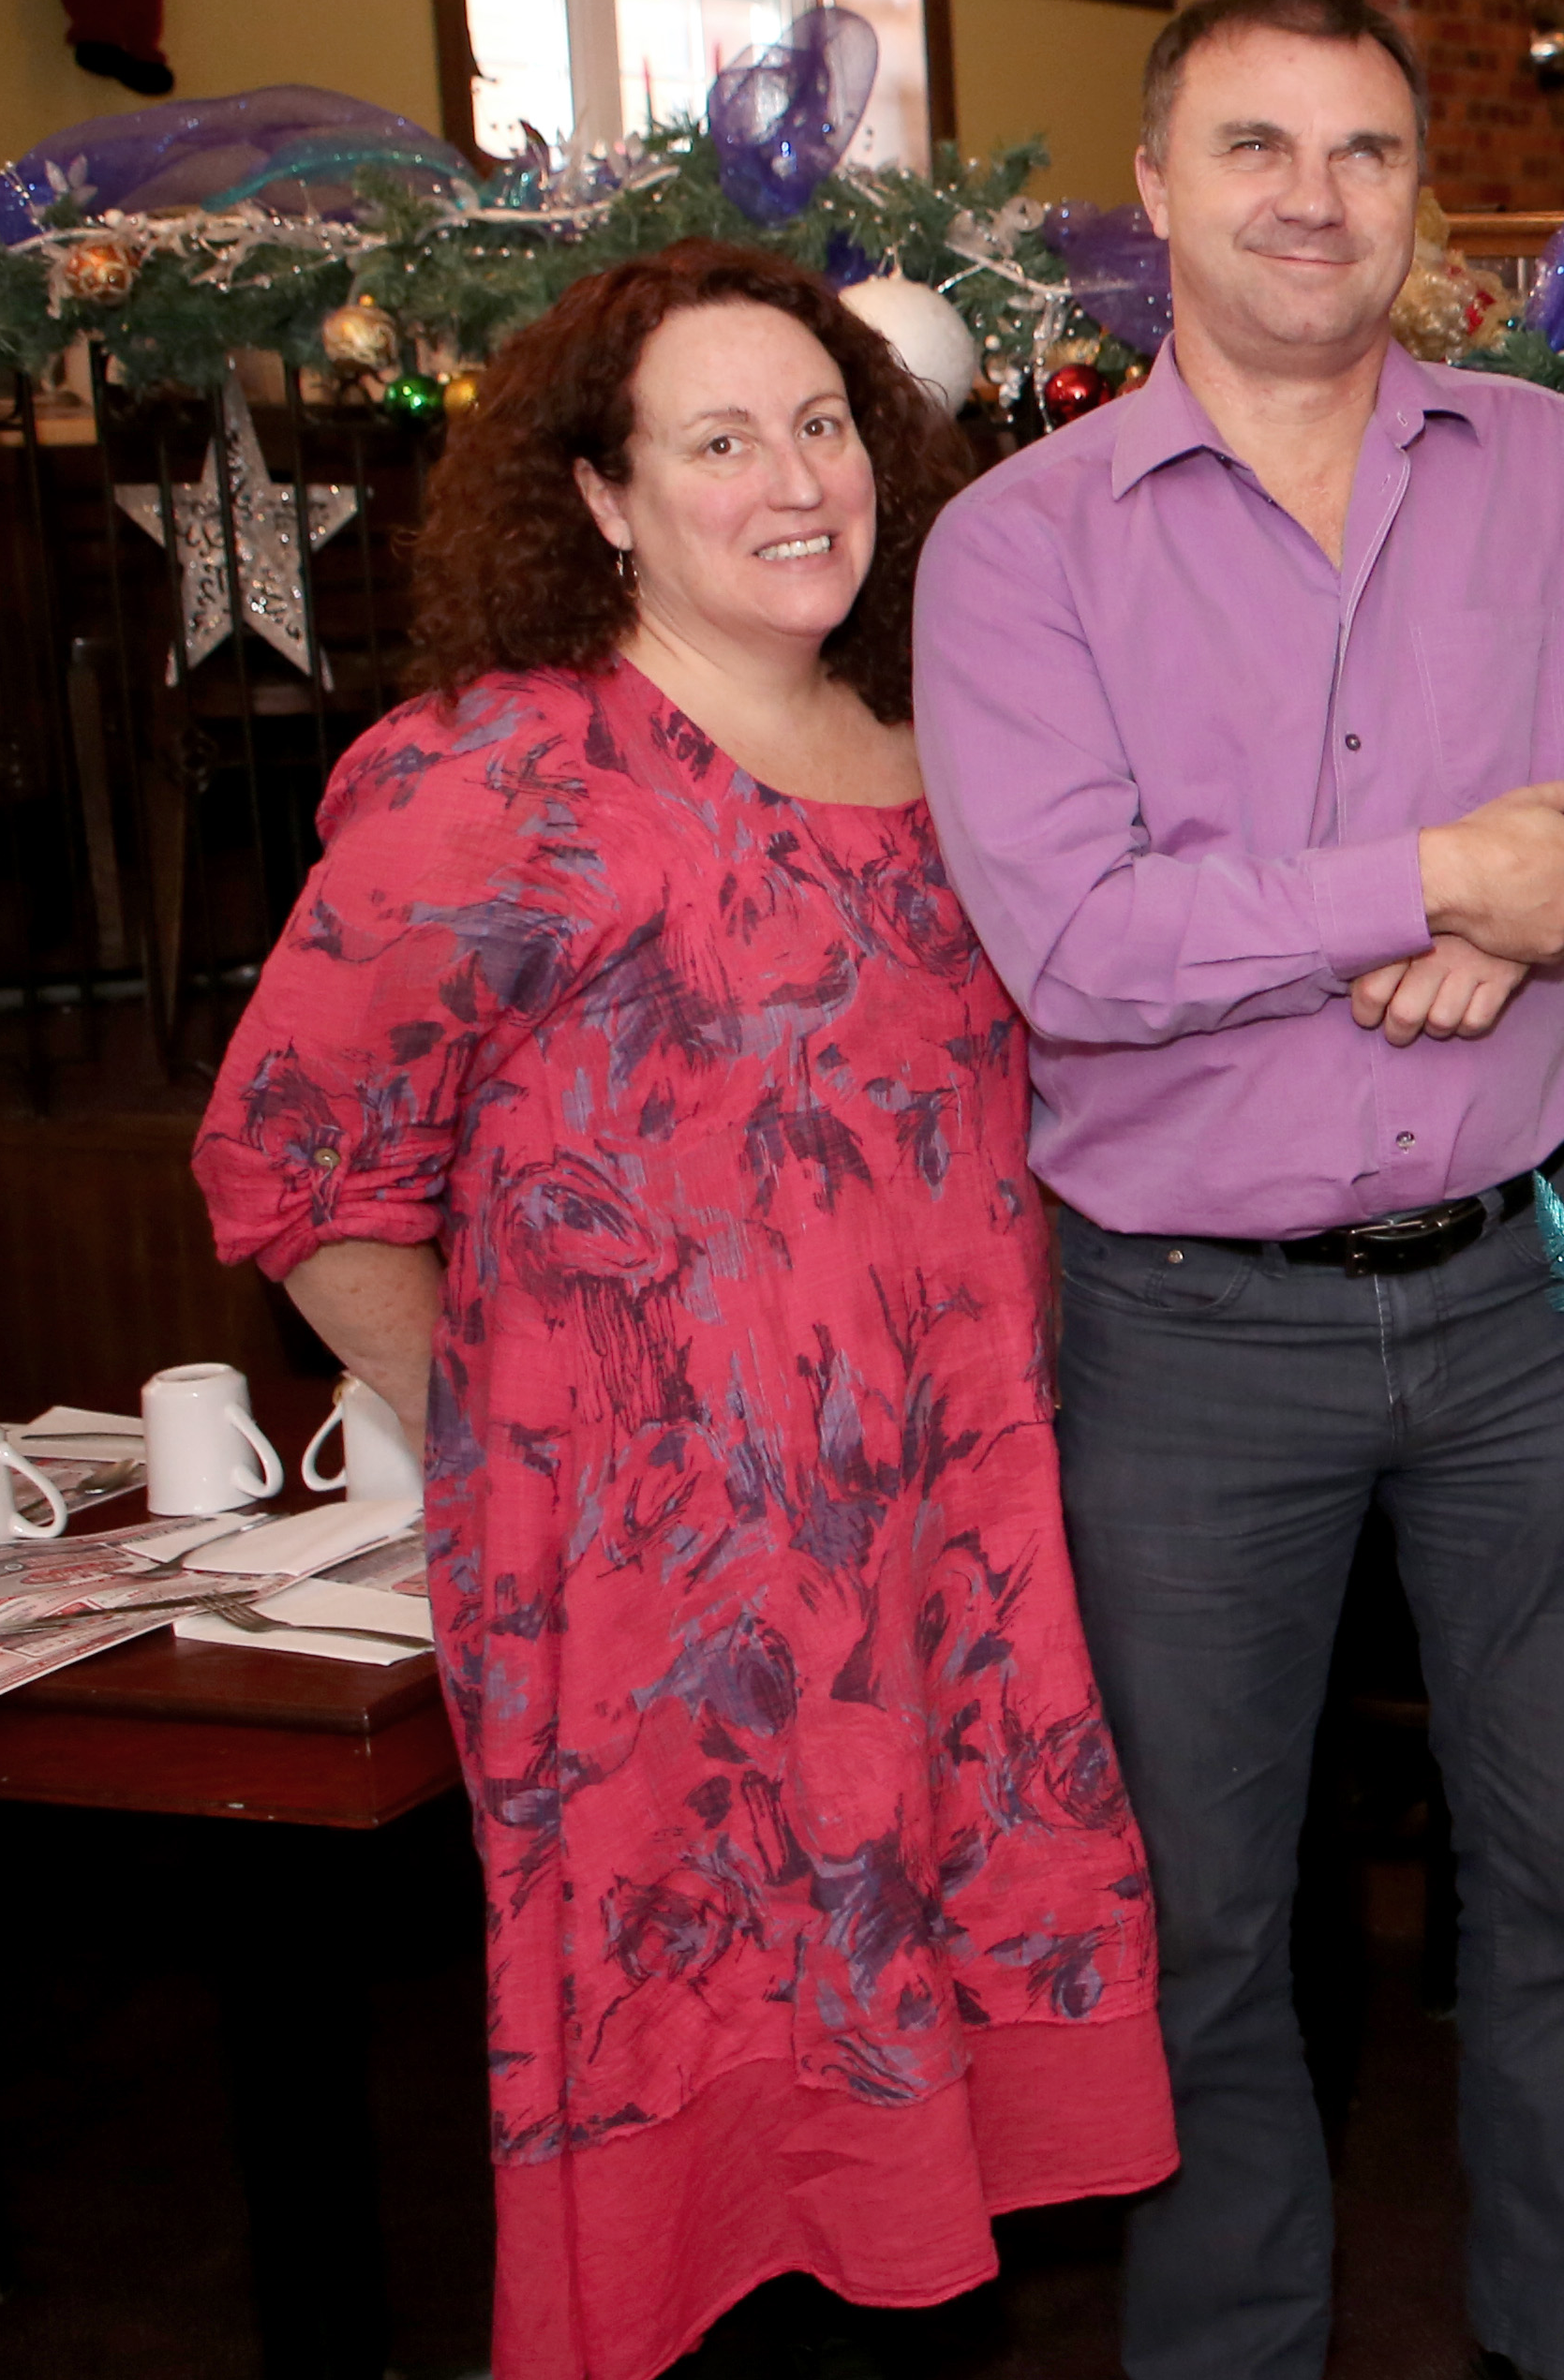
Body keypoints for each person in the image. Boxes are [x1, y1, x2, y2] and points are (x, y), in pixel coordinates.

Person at [913, 0, 1564, 2380]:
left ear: (1420, 193)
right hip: (1191, 1342)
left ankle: (1553, 2349)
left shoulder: (1543, 464)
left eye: (1365, 151)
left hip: (1523, 1310)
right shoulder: (1018, 546)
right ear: (1155, 189)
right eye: (1255, 146)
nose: (1312, 198)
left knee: (1558, 1887)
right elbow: (1079, 942)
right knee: (1208, 1927)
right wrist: (1422, 875)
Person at [194, 243, 1173, 2380]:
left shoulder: (947, 747)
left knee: (915, 2163)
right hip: (662, 1604)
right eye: (719, 439)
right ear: (606, 496)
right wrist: (521, 1429)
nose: (794, 479)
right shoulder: (510, 773)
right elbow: (289, 1158)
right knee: (722, 2147)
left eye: (822, 424)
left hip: (953, 1557)